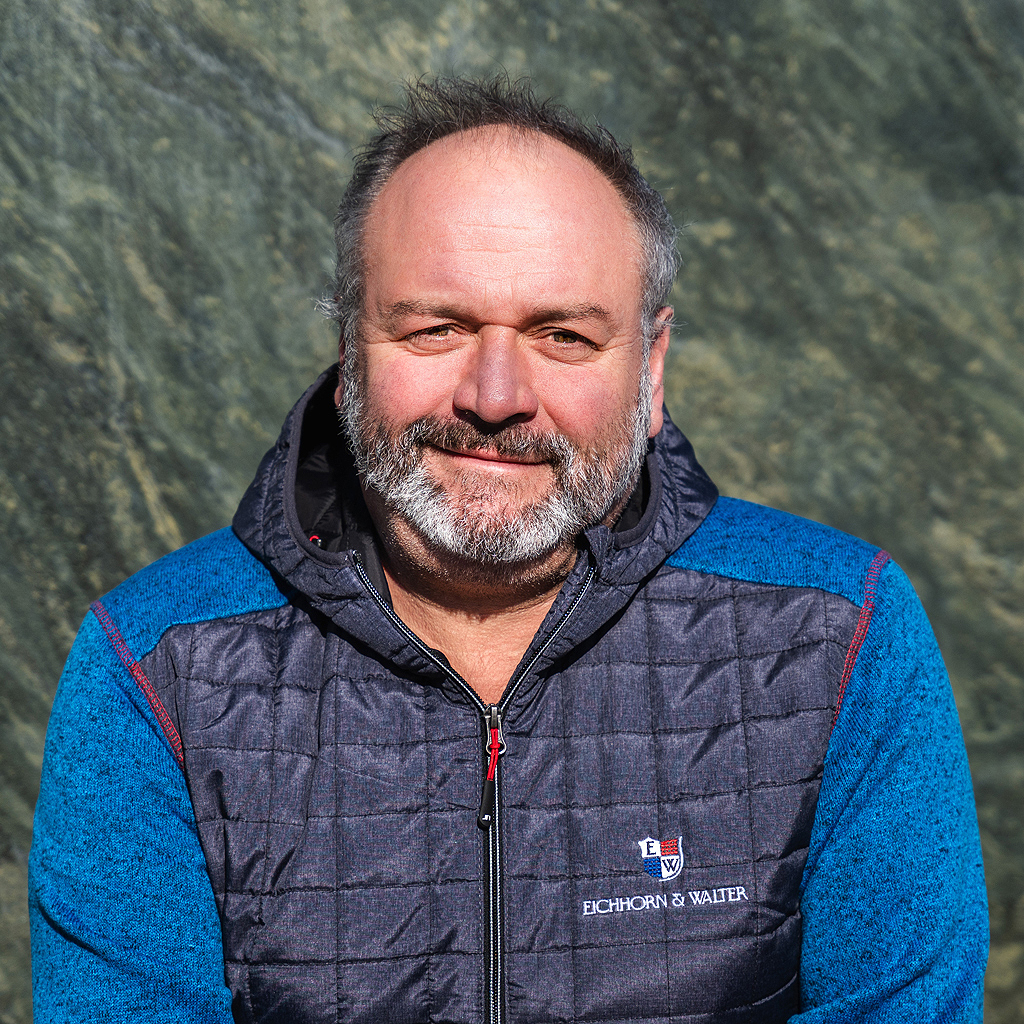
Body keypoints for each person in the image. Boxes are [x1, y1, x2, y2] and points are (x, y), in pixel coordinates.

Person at [30, 77, 987, 1024]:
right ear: (351, 351)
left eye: (562, 335)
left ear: (651, 370)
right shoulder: (153, 663)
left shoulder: (840, 631)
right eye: (436, 328)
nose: (495, 397)